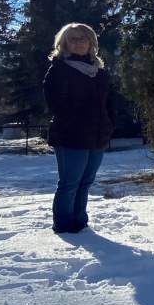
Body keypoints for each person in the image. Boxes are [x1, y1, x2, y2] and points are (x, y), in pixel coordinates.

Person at [43, 23, 115, 234]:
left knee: (85, 183)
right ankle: (64, 225)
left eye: (83, 38)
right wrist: (78, 125)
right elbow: (57, 106)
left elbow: (109, 103)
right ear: (64, 44)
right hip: (70, 137)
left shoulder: (99, 72)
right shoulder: (58, 70)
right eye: (73, 39)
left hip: (98, 137)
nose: (79, 42)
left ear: (91, 42)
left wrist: (109, 125)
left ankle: (80, 222)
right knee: (69, 183)